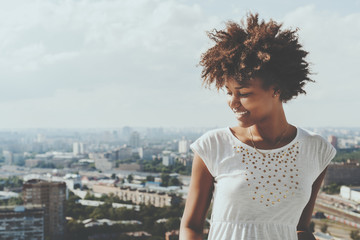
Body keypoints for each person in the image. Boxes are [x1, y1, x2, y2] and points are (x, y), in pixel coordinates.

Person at [179, 13, 336, 240]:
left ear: (276, 89)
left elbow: (300, 228)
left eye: (243, 93)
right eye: (229, 92)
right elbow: (191, 226)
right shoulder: (213, 145)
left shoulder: (317, 150)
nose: (233, 102)